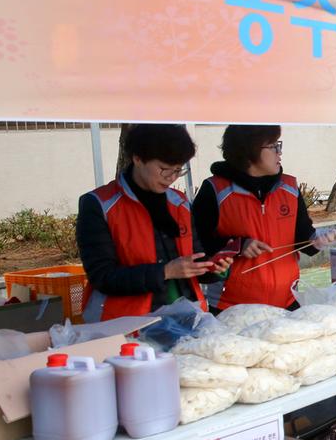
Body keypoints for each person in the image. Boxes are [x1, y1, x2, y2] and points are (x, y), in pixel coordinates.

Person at [77, 124, 231, 323]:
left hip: (188, 316)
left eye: (178, 170)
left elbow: (194, 258)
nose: (172, 177)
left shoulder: (180, 203)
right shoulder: (100, 204)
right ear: (138, 158)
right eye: (165, 169)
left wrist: (214, 268)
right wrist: (165, 272)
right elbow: (103, 276)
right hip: (126, 324)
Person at [192, 125, 336, 311]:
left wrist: (318, 240)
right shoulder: (215, 190)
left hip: (287, 302)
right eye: (273, 146)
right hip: (231, 308)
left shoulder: (289, 187)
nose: (279, 153)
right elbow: (198, 247)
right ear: (250, 150)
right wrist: (239, 245)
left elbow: (303, 238)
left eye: (279, 145)